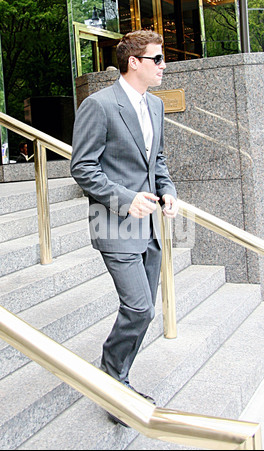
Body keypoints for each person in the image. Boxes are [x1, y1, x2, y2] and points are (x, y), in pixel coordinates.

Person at [71, 30, 178, 424]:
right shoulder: (99, 106)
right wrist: (124, 198)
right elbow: (82, 167)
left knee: (145, 311)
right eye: (158, 59)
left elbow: (157, 160)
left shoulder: (155, 106)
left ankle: (118, 378)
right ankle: (113, 381)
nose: (164, 66)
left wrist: (167, 191)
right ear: (134, 62)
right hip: (113, 222)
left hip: (148, 225)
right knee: (139, 307)